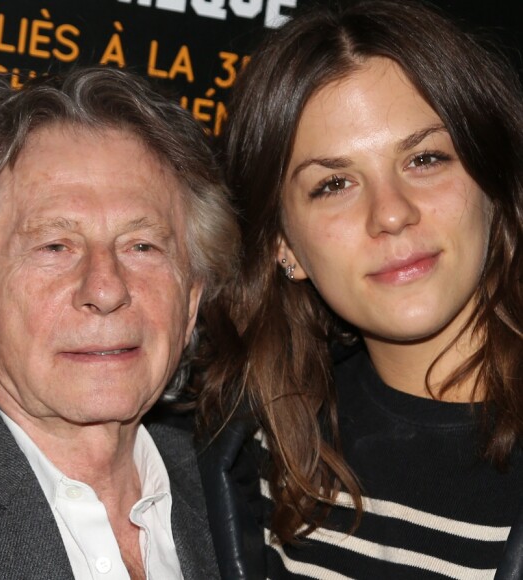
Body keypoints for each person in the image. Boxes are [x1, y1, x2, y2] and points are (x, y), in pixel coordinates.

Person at [195, 1, 523, 578]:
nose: (391, 214)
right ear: (283, 247)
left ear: (491, 185)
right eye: (334, 184)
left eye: (425, 158)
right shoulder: (253, 458)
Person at [0, 67, 239, 579]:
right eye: (55, 246)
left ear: (191, 302)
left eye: (142, 246)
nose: (106, 289)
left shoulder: (245, 502)